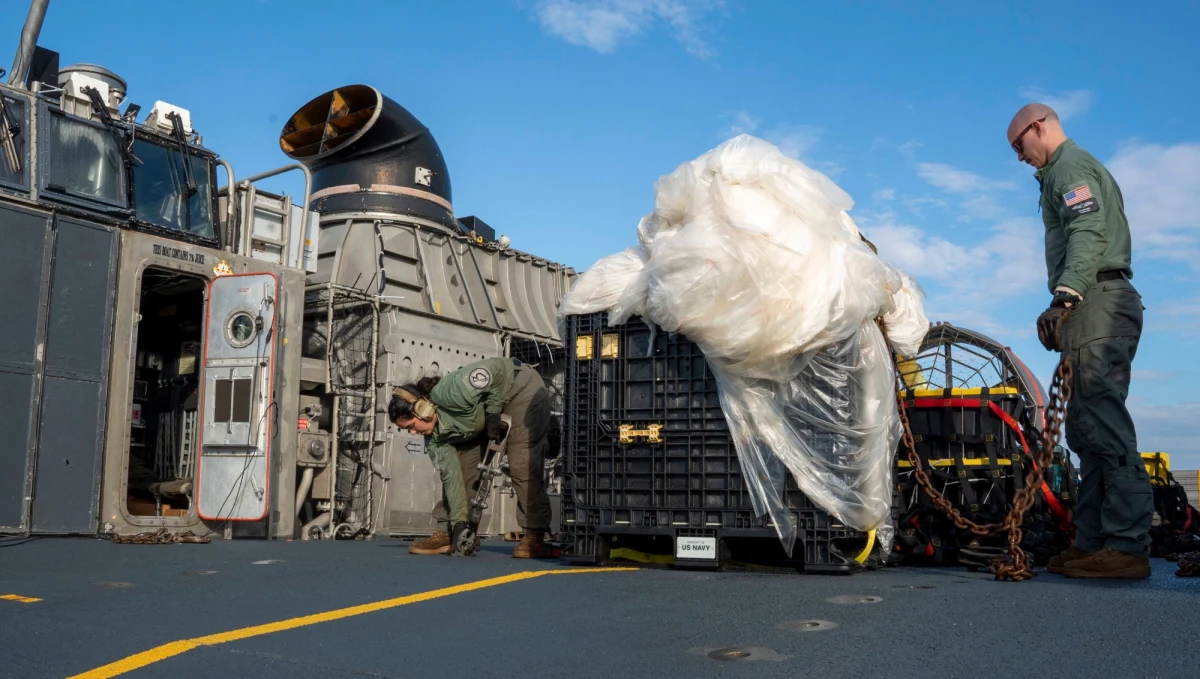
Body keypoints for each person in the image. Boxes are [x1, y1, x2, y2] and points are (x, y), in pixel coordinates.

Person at [1007, 102, 1153, 579]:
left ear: (1039, 127)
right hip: (1094, 301)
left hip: (1099, 299)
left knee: (1104, 422)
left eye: (1019, 145)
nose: (1020, 157)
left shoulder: (1069, 166)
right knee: (1086, 427)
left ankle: (1127, 546)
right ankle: (1093, 541)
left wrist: (1065, 298)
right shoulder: (1059, 174)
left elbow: (1087, 229)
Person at [388, 356, 552, 558]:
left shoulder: (452, 390)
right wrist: (459, 524)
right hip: (478, 418)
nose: (413, 433)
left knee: (521, 464)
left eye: (411, 426)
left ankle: (534, 534)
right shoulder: (435, 439)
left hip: (520, 390)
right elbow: (451, 477)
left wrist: (493, 411)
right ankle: (451, 532)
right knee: (463, 465)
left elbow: (497, 369)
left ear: (423, 409)